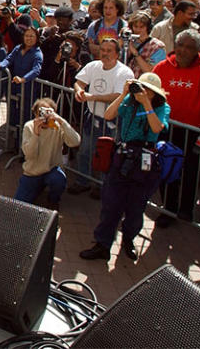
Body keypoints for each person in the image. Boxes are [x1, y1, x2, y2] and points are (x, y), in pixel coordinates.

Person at [80, 73, 170, 262]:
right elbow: (108, 114)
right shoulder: (129, 101)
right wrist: (123, 94)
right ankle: (102, 244)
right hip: (122, 156)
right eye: (141, 87)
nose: (142, 92)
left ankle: (128, 240)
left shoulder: (162, 107)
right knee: (111, 203)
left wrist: (146, 104)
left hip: (144, 159)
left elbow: (156, 128)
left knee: (136, 206)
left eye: (148, 90)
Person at [153, 29, 200, 226]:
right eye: (180, 46)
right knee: (166, 168)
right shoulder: (161, 67)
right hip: (166, 128)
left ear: (197, 51)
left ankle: (185, 208)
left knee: (191, 171)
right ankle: (168, 208)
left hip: (194, 133)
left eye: (189, 47)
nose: (183, 51)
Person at [71, 39, 135, 195]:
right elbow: (79, 82)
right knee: (85, 151)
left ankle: (102, 186)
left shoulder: (125, 72)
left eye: (109, 51)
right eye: (103, 50)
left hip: (113, 121)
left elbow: (118, 96)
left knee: (109, 155)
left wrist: (92, 97)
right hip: (92, 117)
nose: (105, 53)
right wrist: (79, 91)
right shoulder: (93, 66)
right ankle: (83, 180)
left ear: (118, 54)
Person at [14, 97, 81, 210]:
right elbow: (29, 154)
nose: (44, 117)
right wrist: (36, 133)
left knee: (58, 180)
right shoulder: (29, 126)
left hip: (52, 169)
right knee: (19, 204)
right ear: (35, 114)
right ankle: (37, 188)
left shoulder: (58, 127)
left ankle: (53, 200)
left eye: (47, 113)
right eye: (41, 113)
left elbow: (75, 142)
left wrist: (61, 120)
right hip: (33, 172)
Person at [125, 12, 166, 77]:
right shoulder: (128, 41)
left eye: (141, 27)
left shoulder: (157, 47)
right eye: (135, 26)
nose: (138, 30)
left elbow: (150, 71)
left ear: (148, 27)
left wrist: (135, 53)